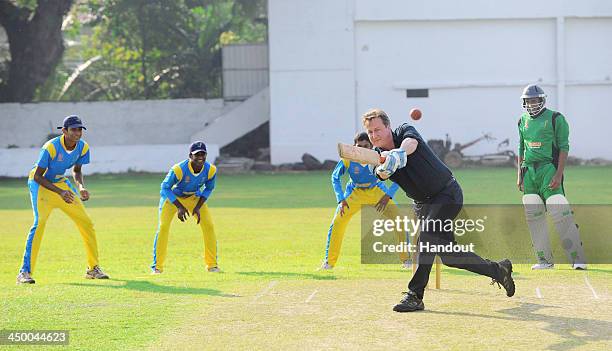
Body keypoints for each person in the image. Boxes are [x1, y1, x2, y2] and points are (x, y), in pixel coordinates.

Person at [361, 108, 515, 312]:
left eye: (378, 129)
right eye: (370, 132)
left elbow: (411, 144)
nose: (374, 135)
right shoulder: (377, 154)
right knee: (450, 257)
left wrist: (397, 155)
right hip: (423, 205)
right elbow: (378, 173)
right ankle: (499, 270)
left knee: (425, 238)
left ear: (388, 127)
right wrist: (382, 168)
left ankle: (415, 295)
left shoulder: (404, 131)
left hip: (446, 194)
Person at [17, 115, 109, 284]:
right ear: (64, 131)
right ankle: (24, 272)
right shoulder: (50, 148)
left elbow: (77, 170)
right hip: (41, 186)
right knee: (39, 223)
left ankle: (93, 269)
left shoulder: (83, 147)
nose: (78, 133)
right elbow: (38, 176)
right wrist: (60, 192)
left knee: (86, 223)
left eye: (80, 129)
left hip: (61, 185)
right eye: (74, 129)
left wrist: (80, 187)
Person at [517, 84, 587, 270]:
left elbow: (564, 148)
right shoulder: (522, 120)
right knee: (534, 217)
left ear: (542, 100)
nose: (531, 104)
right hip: (529, 173)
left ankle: (577, 259)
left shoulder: (556, 118)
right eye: (528, 101)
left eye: (534, 100)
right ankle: (544, 261)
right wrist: (519, 176)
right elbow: (521, 148)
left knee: (560, 213)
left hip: (549, 169)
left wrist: (558, 174)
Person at [322, 132, 411, 270]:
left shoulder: (379, 156)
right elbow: (335, 177)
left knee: (399, 220)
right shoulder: (348, 158)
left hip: (377, 192)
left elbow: (400, 175)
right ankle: (328, 263)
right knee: (337, 223)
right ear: (354, 146)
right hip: (354, 193)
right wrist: (341, 198)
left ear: (371, 146)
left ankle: (406, 260)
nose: (363, 149)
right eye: (359, 146)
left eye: (366, 146)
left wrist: (388, 195)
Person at [150, 141, 220, 274]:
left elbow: (209, 188)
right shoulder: (179, 169)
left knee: (209, 225)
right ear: (190, 156)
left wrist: (198, 207)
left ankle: (212, 265)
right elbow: (165, 187)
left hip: (194, 198)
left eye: (203, 154)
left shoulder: (210, 170)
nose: (200, 157)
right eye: (197, 154)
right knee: (163, 227)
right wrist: (179, 207)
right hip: (173, 199)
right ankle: (157, 267)